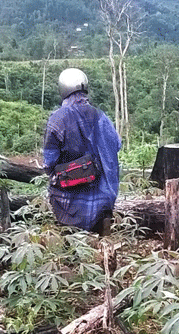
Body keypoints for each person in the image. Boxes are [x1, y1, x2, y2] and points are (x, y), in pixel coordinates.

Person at [42, 68, 122, 235]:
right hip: (105, 199)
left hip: (70, 202)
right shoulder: (101, 116)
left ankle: (71, 240)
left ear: (63, 90)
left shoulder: (58, 119)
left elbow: (49, 162)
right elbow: (117, 144)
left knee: (55, 186)